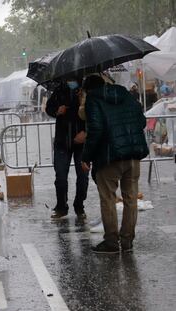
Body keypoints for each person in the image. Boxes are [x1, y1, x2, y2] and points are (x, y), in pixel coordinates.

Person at [81, 75, 149, 254]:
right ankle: (127, 241)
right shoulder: (126, 95)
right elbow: (141, 121)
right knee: (130, 198)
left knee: (108, 198)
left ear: (87, 90)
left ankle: (111, 242)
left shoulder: (93, 100)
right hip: (133, 154)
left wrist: (86, 156)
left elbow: (95, 129)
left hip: (109, 155)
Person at [45, 78, 89, 219]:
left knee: (83, 176)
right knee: (61, 176)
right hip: (62, 141)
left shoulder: (85, 91)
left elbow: (94, 113)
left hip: (82, 141)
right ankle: (61, 207)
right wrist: (57, 111)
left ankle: (79, 205)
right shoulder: (59, 90)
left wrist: (86, 132)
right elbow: (49, 108)